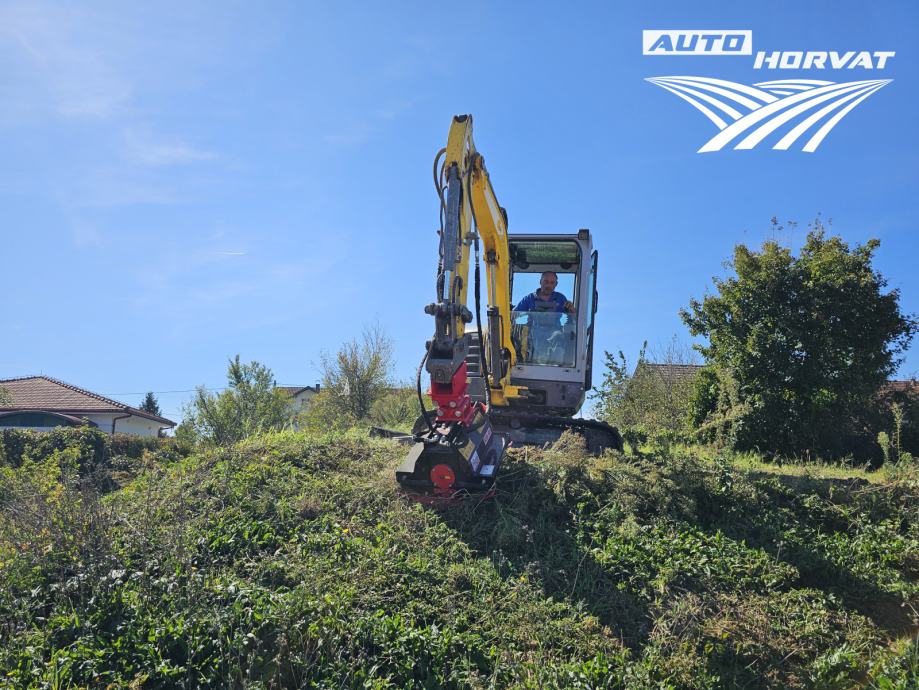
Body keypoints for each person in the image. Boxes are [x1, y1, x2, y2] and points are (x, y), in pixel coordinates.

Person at [514, 271, 575, 364]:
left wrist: (571, 309)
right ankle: (525, 362)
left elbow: (572, 316)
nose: (548, 285)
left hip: (553, 335)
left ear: (556, 284)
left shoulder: (561, 298)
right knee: (524, 339)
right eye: (546, 282)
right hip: (533, 336)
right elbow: (514, 314)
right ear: (540, 282)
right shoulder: (529, 298)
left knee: (559, 335)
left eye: (552, 283)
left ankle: (556, 365)